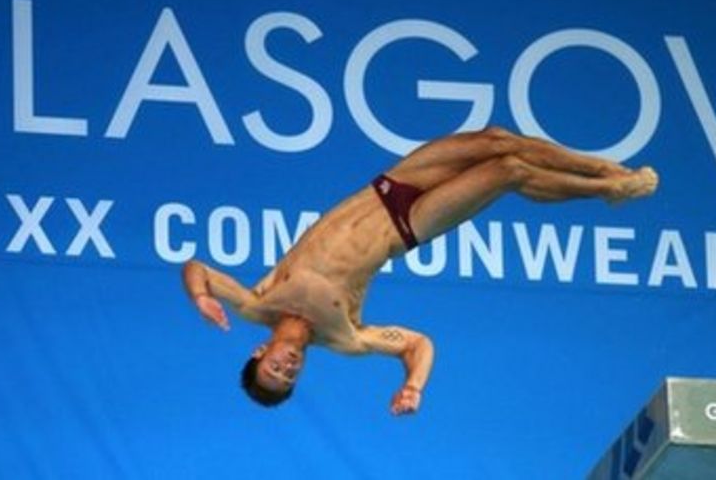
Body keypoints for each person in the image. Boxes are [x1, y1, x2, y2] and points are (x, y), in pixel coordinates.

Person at [181, 127, 658, 416]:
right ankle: (606, 191)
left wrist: (200, 297)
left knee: (496, 139)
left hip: (389, 187)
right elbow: (417, 344)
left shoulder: (256, 304)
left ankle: (605, 172)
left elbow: (197, 267)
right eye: (288, 379)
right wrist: (412, 386)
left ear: (261, 351)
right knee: (508, 170)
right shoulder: (344, 338)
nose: (286, 369)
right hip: (408, 225)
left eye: (273, 370)